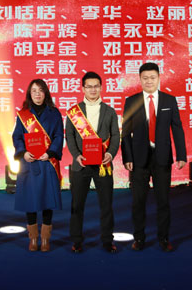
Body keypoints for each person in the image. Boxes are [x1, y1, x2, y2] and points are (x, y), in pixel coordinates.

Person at [121, 62, 187, 252]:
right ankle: (139, 238)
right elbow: (125, 133)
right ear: (140, 79)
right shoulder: (131, 101)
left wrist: (181, 155)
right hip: (138, 159)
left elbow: (177, 128)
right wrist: (127, 158)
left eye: (152, 77)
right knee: (138, 202)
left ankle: (164, 238)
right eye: (145, 78)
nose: (149, 81)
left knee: (163, 201)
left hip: (162, 157)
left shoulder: (169, 101)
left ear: (159, 78)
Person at [65, 71, 120, 253]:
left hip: (103, 164)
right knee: (77, 205)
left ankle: (107, 240)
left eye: (96, 86)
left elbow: (116, 136)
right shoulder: (74, 112)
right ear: (83, 88)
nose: (93, 90)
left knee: (106, 205)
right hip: (80, 164)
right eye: (89, 86)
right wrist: (76, 155)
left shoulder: (110, 111)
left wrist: (110, 154)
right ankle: (76, 241)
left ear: (101, 87)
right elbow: (69, 136)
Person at [12, 79, 63, 252]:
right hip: (29, 162)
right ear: (29, 94)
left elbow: (58, 136)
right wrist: (23, 153)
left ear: (45, 92)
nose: (37, 94)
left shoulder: (54, 113)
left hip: (47, 162)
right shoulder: (23, 114)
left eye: (40, 90)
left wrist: (50, 152)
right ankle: (33, 238)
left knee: (47, 200)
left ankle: (45, 238)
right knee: (30, 200)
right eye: (34, 91)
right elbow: (17, 137)